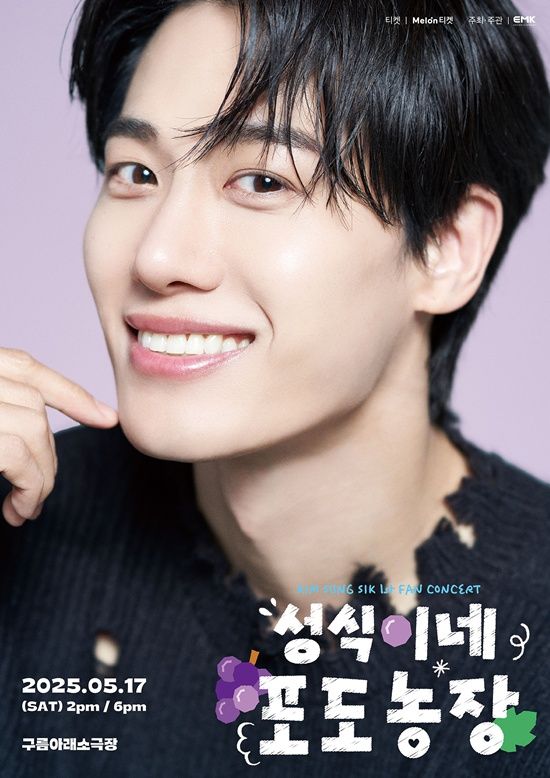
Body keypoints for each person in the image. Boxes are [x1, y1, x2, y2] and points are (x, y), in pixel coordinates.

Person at [0, 0, 549, 775]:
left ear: (446, 247)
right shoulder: (23, 529)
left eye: (261, 180)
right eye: (136, 173)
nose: (158, 257)